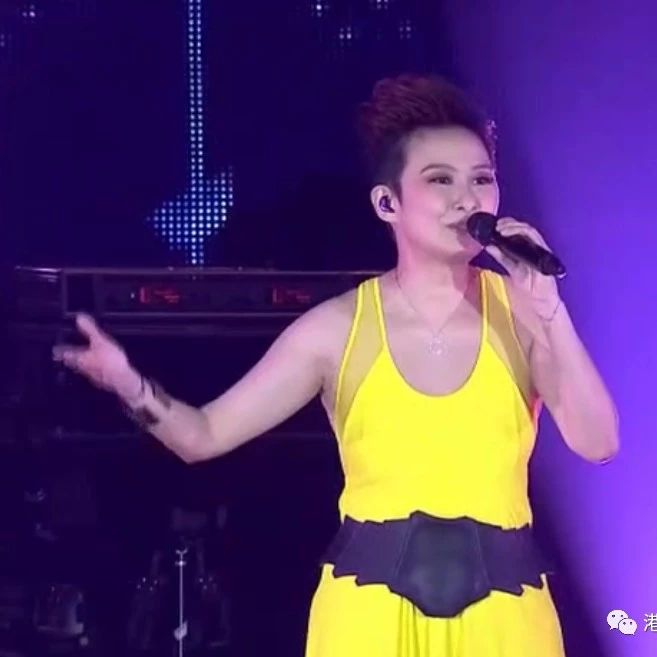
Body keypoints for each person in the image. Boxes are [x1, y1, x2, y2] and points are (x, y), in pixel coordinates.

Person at [53, 74, 619, 656]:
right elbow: (203, 435)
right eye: (440, 180)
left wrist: (549, 312)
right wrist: (127, 382)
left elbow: (598, 442)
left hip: (506, 619)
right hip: (369, 617)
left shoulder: (524, 314)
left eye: (481, 179)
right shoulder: (336, 329)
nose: (467, 200)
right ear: (387, 202)